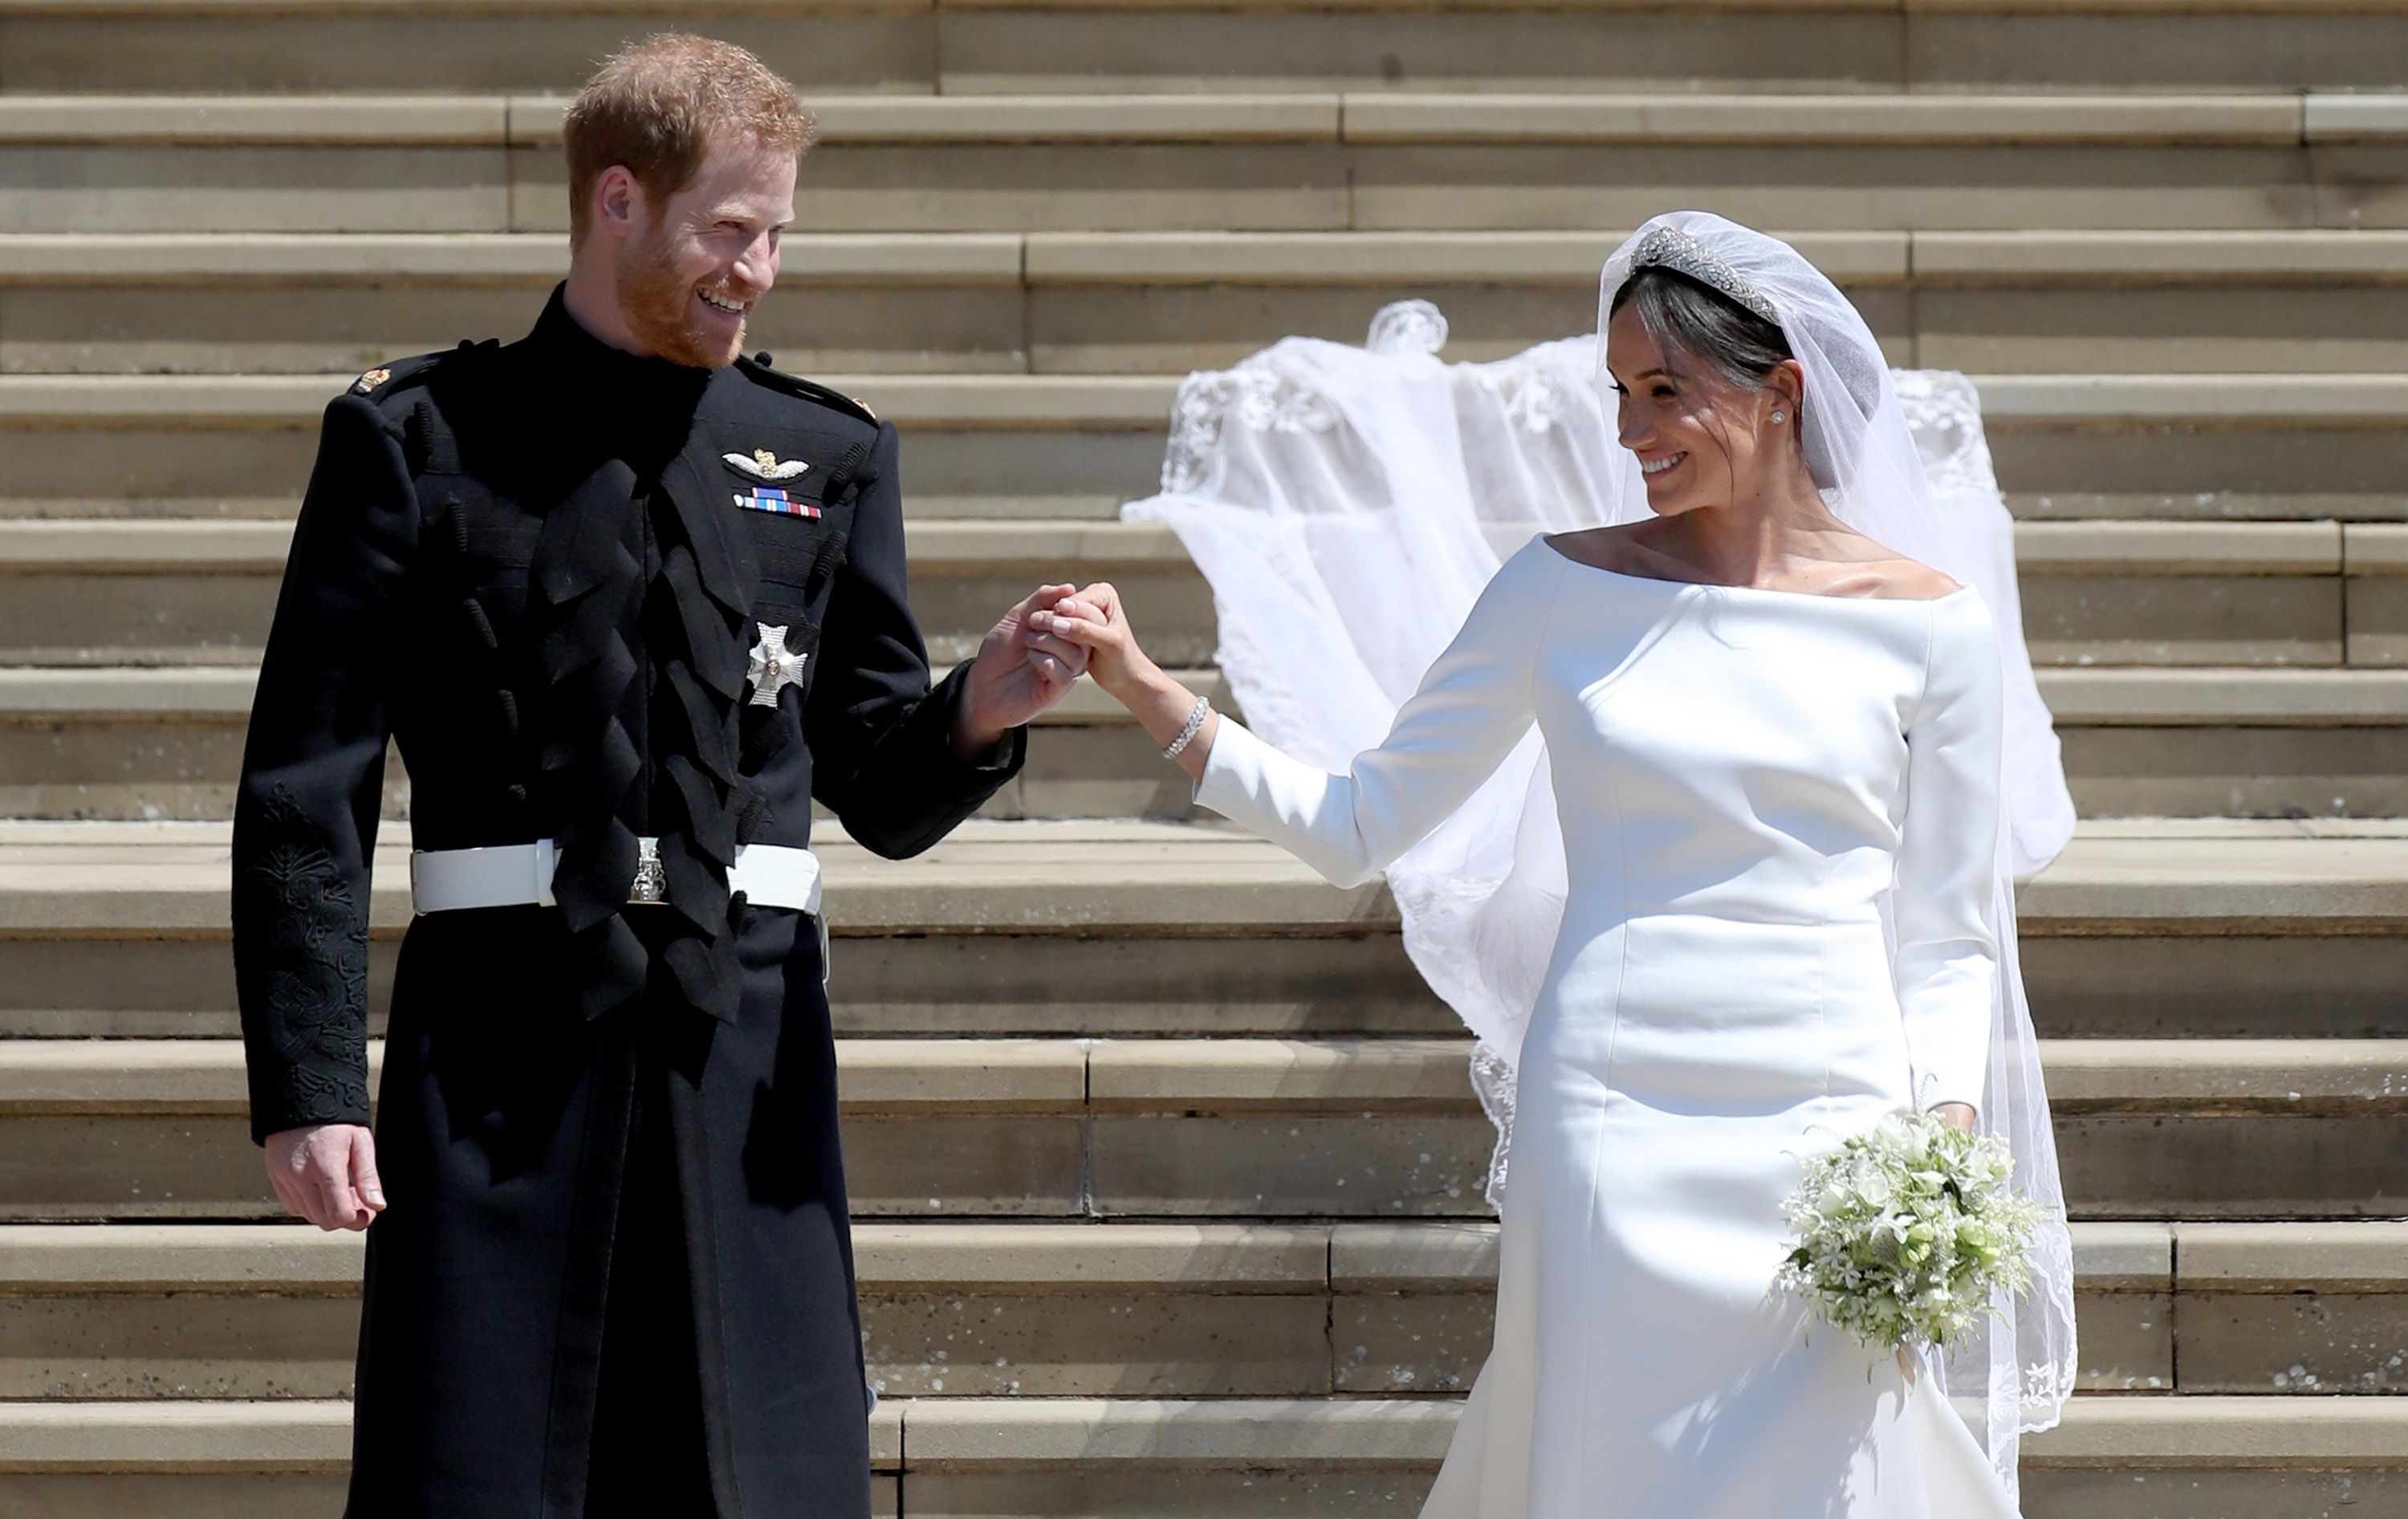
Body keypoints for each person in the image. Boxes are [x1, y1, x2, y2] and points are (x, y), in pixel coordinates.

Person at [1039, 213, 2068, 1516]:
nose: (1632, 434)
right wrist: (1148, 692)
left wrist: (1939, 1148)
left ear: (1782, 393)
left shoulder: (1936, 630)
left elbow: (1948, 940)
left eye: (1665, 395)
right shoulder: (1556, 591)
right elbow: (1360, 820)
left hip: (1833, 1121)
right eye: (1619, 396)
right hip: (1611, 1118)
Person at [230, 34, 1084, 1517]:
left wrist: (976, 711)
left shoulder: (827, 453)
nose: (755, 270)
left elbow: (872, 788)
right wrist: (307, 1087)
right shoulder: (414, 439)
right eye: (729, 230)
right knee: (476, 1481)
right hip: (494, 1051)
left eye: (776, 237)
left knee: (757, 1487)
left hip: (744, 1063)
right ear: (616, 201)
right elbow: (307, 792)